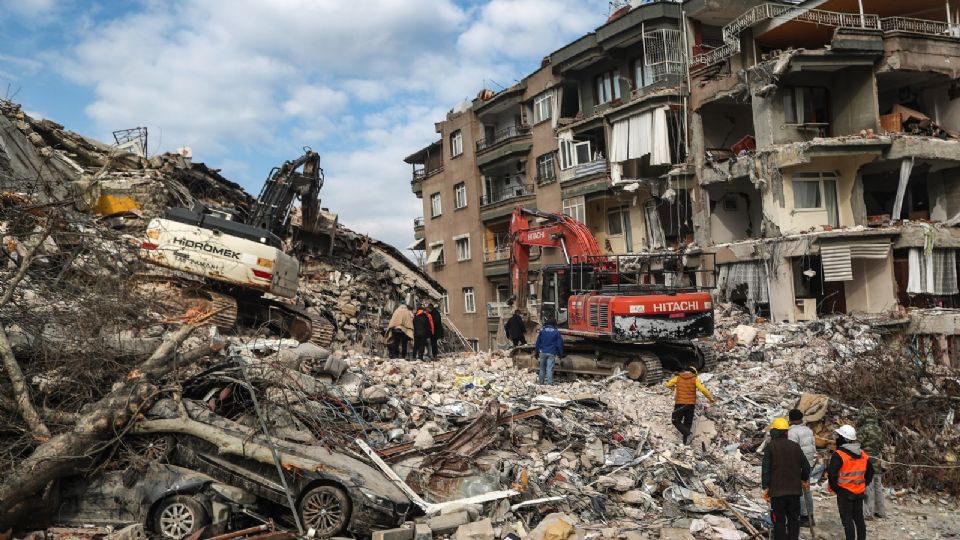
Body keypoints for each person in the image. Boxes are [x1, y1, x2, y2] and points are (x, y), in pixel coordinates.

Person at [762, 417, 811, 540]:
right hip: (794, 492)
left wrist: (766, 487)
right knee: (794, 520)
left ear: (774, 431)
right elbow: (806, 467)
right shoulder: (795, 446)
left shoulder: (770, 447)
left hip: (777, 493)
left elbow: (766, 469)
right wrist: (804, 479)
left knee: (779, 522)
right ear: (786, 432)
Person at [828, 424, 874, 540]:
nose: (837, 438)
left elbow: (832, 474)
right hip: (859, 491)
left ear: (843, 438)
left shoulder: (839, 455)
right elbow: (871, 472)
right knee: (859, 519)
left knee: (847, 521)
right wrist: (864, 484)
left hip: (844, 492)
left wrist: (837, 489)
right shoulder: (862, 454)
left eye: (839, 436)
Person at [664, 367, 716, 444]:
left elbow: (667, 384)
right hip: (690, 405)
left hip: (680, 404)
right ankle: (685, 442)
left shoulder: (677, 378)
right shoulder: (694, 379)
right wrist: (711, 399)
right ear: (694, 373)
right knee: (687, 423)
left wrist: (673, 388)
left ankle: (688, 433)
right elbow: (703, 389)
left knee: (675, 420)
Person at [787, 408, 818, 526]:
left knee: (798, 491)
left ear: (790, 419)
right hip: (808, 464)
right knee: (807, 490)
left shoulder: (791, 432)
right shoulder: (808, 430)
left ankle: (804, 517)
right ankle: (810, 516)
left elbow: (792, 451)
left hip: (797, 465)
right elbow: (814, 448)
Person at [858, 405, 886, 519]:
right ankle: (880, 511)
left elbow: (858, 445)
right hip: (876, 461)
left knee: (868, 487)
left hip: (866, 461)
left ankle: (868, 513)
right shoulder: (879, 429)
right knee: (878, 487)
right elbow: (881, 446)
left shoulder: (864, 429)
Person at [533, 319, 563, 385]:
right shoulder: (556, 332)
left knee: (542, 368)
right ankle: (550, 383)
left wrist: (536, 352)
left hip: (542, 352)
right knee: (549, 368)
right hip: (551, 352)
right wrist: (560, 354)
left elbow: (537, 343)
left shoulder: (542, 331)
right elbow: (559, 344)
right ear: (554, 324)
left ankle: (541, 382)